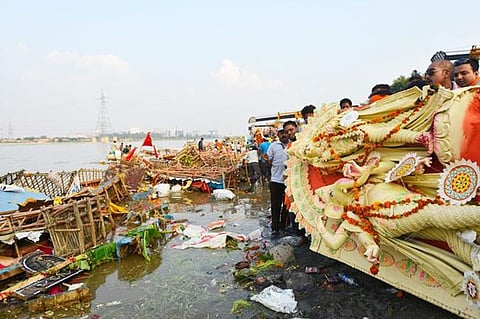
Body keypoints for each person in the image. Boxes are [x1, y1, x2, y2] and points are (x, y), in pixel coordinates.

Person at [266, 129, 290, 238]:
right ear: (278, 135)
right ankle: (275, 228)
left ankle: (283, 226)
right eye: (282, 133)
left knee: (287, 206)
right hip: (276, 180)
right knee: (275, 206)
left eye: (286, 133)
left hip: (289, 181)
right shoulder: (273, 146)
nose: (284, 135)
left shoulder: (293, 145)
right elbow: (268, 160)